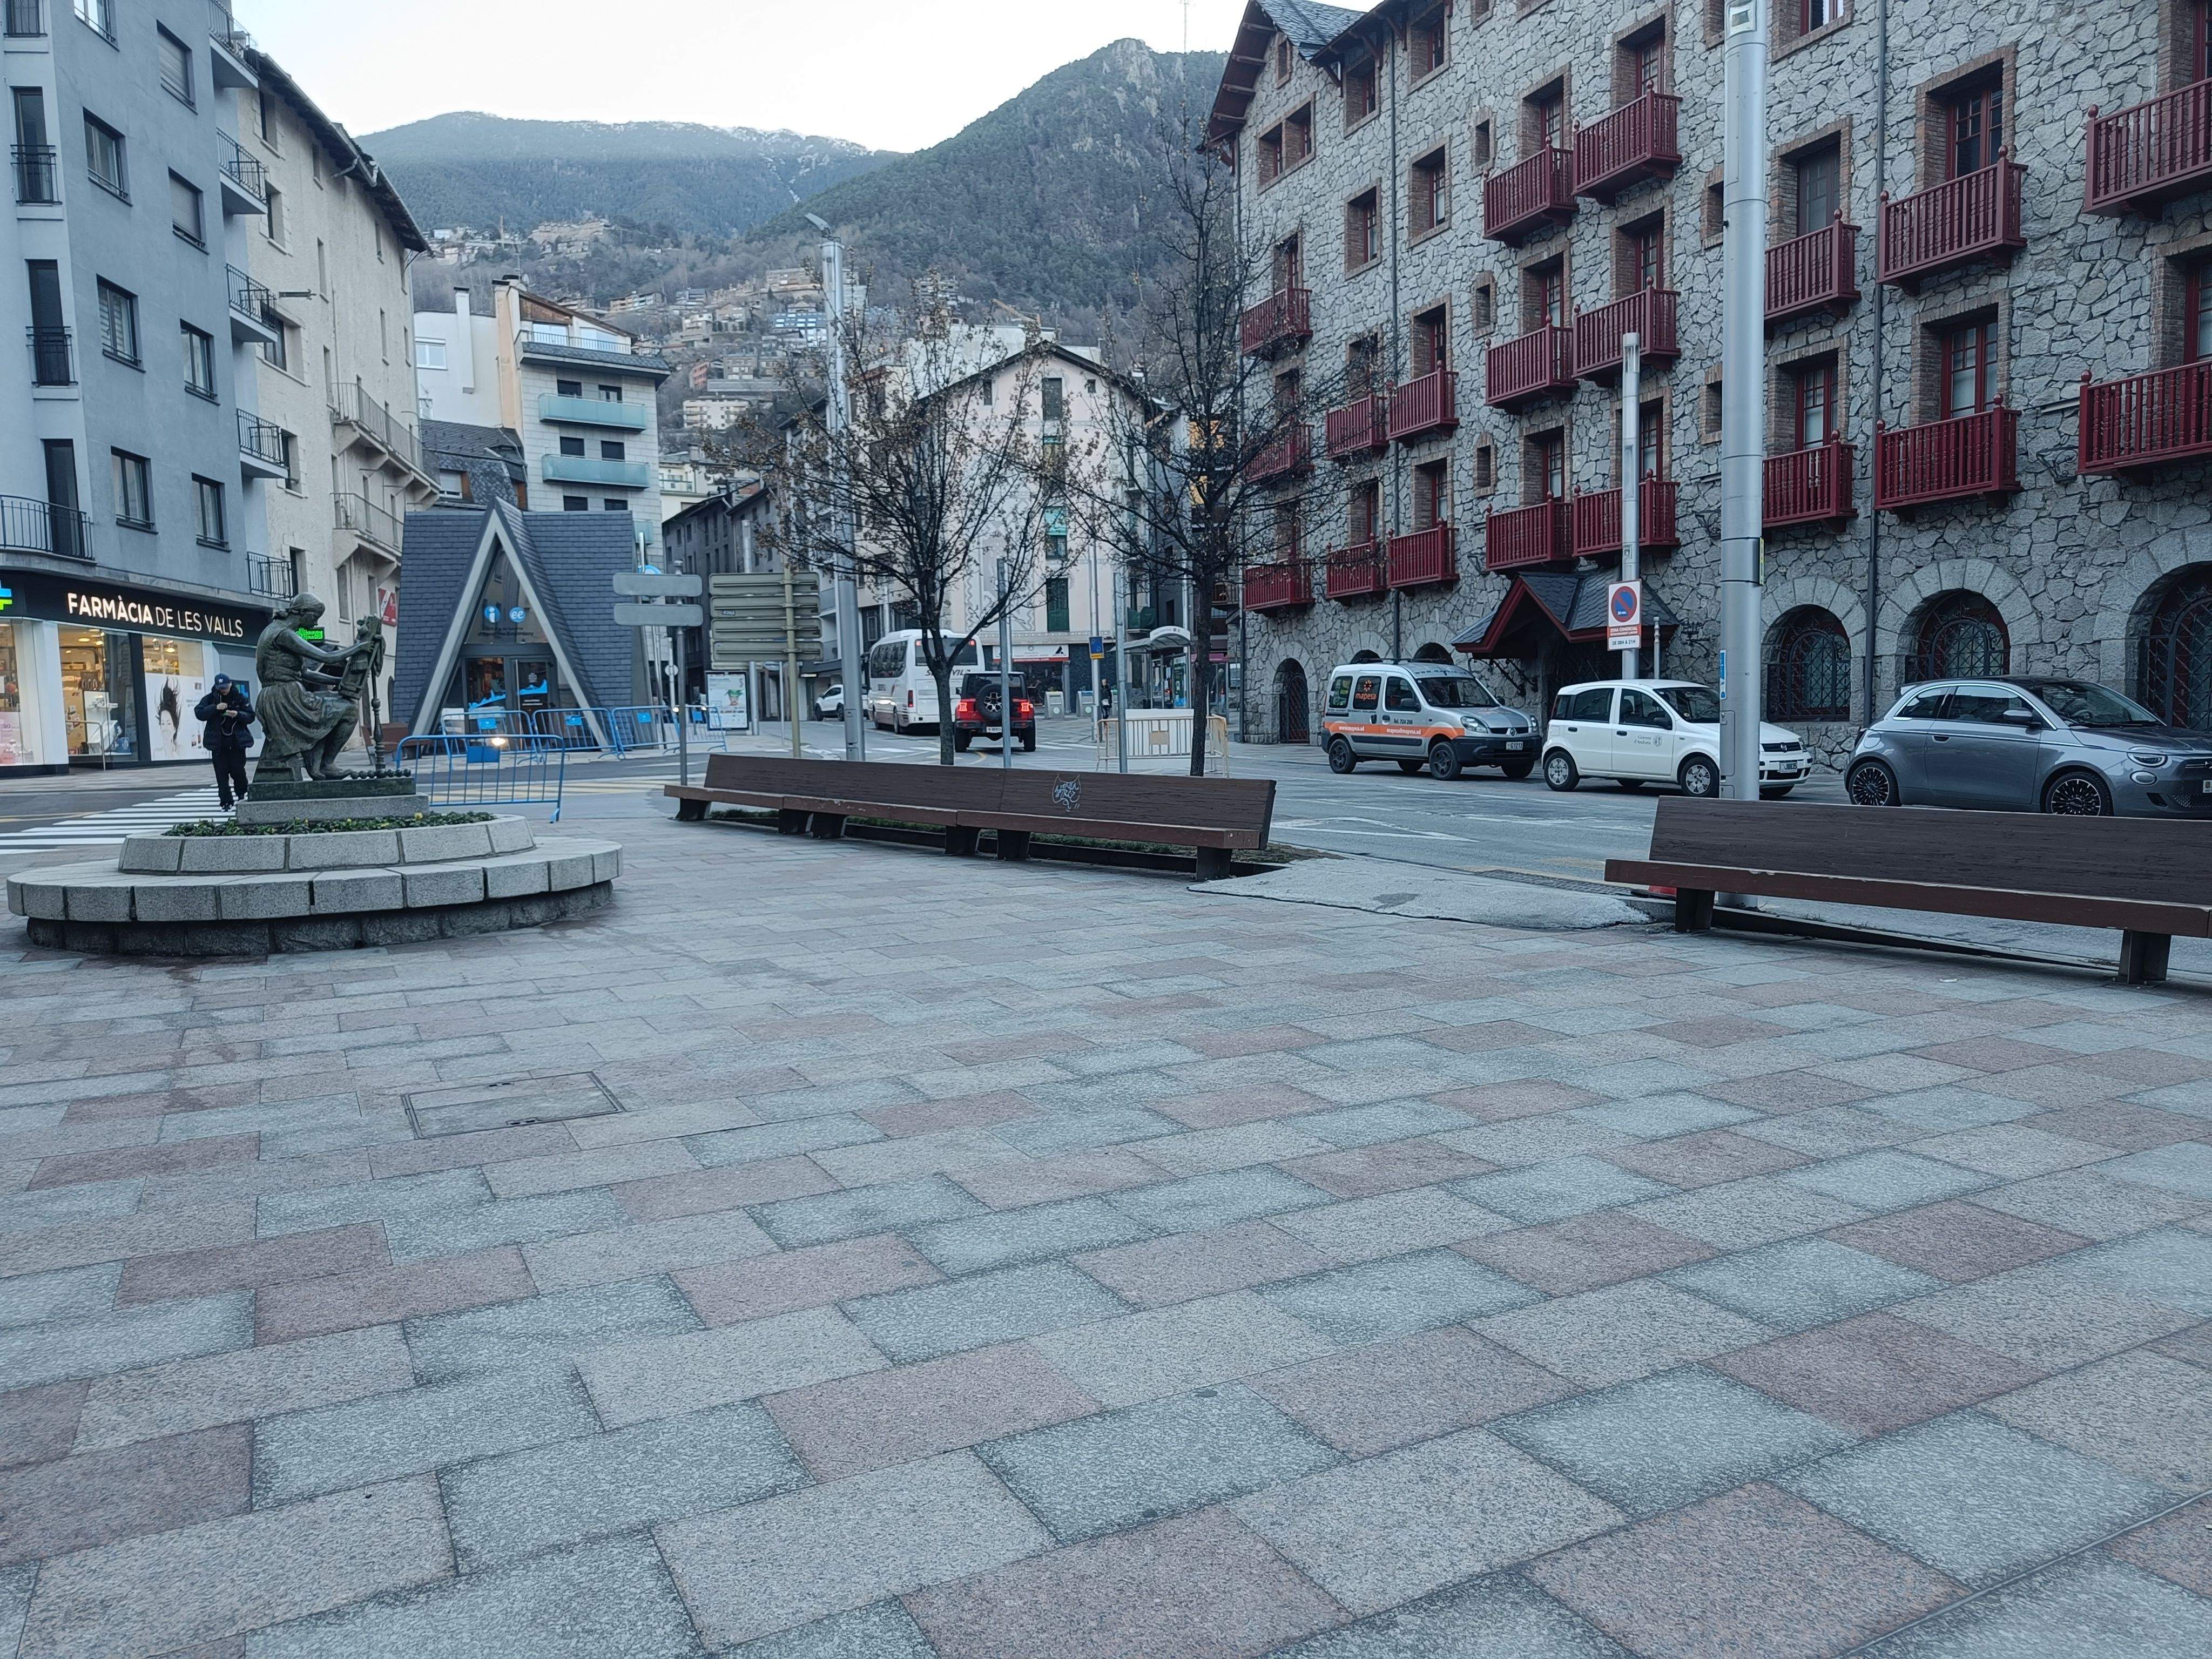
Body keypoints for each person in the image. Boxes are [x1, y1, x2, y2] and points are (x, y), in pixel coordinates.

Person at [195, 676, 255, 811]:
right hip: (218, 743)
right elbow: (199, 713)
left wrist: (237, 715)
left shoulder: (240, 698)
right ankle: (226, 801)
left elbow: (251, 716)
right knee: (221, 774)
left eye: (226, 687)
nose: (224, 691)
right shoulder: (210, 698)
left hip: (237, 743)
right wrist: (215, 707)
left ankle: (241, 793)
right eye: (221, 688)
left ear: (231, 684)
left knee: (238, 771)